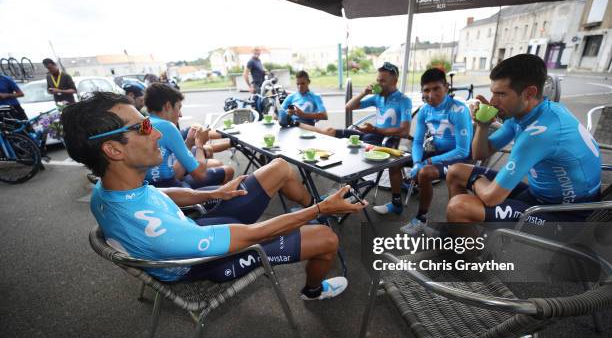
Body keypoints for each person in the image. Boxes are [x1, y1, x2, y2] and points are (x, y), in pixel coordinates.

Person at [61, 91, 367, 299]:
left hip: (195, 228)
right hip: (206, 260)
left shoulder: (108, 188)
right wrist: (320, 211)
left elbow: (156, 193)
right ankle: (313, 292)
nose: (155, 132)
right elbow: (251, 235)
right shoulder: (161, 233)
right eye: (142, 127)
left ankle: (315, 204)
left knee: (278, 167)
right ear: (113, 149)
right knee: (327, 240)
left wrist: (212, 194)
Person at [445, 54, 601, 225]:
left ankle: (470, 246)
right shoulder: (530, 113)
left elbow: (491, 198)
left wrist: (476, 180)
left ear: (529, 93)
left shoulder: (540, 133)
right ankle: (464, 231)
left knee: (458, 208)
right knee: (455, 171)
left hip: (564, 215)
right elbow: (481, 154)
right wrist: (483, 125)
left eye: (501, 94)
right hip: (539, 195)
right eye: (493, 93)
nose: (492, 102)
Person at [299, 62, 412, 212]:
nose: (378, 83)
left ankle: (349, 192)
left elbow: (404, 130)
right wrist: (364, 93)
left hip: (386, 140)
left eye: (383, 81)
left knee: (352, 150)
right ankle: (348, 191)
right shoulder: (377, 97)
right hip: (371, 134)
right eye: (378, 80)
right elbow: (349, 106)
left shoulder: (404, 100)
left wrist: (376, 129)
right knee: (334, 132)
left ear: (394, 81)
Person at [374, 68, 472, 227]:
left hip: (460, 158)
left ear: (446, 87)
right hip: (438, 152)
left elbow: (463, 150)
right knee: (395, 161)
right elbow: (418, 142)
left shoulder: (458, 110)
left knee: (425, 173)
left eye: (436, 89)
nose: (431, 95)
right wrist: (418, 161)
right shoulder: (425, 110)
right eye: (426, 90)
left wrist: (426, 163)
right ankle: (397, 204)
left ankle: (421, 218)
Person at [143, 82, 233, 188]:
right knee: (230, 179)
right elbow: (200, 175)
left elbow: (174, 174)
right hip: (168, 194)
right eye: (178, 108)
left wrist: (189, 143)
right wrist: (199, 144)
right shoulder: (167, 127)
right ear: (167, 106)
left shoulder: (145, 123)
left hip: (155, 188)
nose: (180, 115)